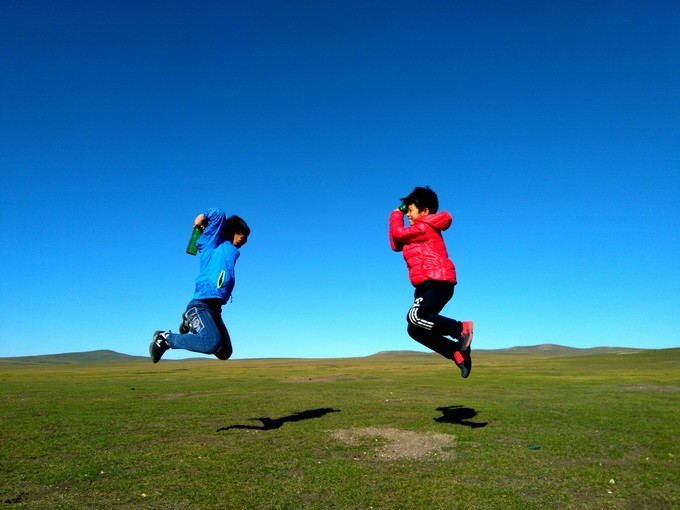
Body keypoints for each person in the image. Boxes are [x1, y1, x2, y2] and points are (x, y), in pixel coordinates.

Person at [389, 186, 474, 378]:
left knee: (414, 316)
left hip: (436, 280)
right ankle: (456, 352)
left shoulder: (425, 225)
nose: (407, 214)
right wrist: (401, 213)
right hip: (426, 285)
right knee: (415, 329)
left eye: (410, 210)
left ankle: (460, 329)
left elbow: (397, 234)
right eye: (407, 210)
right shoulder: (415, 232)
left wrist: (396, 213)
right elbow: (395, 244)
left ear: (425, 211)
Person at [150, 208, 250, 363]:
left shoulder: (231, 250)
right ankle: (164, 338)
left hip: (215, 309)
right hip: (201, 304)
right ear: (234, 231)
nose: (246, 240)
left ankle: (190, 324)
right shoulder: (213, 242)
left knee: (225, 352)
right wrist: (201, 218)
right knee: (211, 343)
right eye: (244, 236)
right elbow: (218, 214)